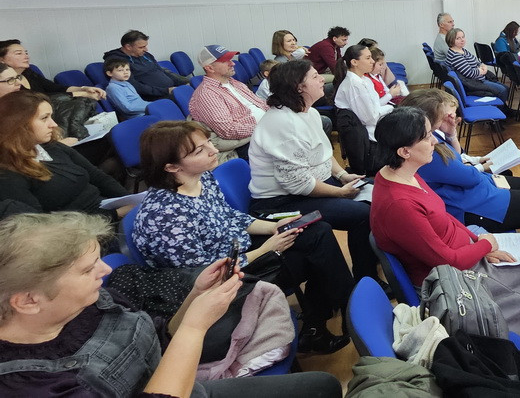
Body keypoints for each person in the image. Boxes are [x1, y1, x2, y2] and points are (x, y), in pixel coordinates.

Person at [0, 211, 343, 397]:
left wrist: (195, 296)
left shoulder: (91, 301)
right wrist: (195, 326)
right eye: (88, 269)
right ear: (28, 301)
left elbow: (160, 337)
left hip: (182, 383)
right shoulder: (27, 384)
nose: (105, 271)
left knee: (323, 386)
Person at [369, 107, 520, 381]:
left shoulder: (405, 173)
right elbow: (445, 262)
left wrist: (478, 240)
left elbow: (443, 215)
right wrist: (485, 246)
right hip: (449, 279)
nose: (434, 141)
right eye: (427, 137)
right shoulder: (399, 204)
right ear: (404, 151)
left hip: (462, 253)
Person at [133, 120, 354, 354]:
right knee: (314, 257)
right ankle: (334, 315)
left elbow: (230, 216)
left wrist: (273, 227)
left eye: (209, 142)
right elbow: (204, 276)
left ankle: (331, 313)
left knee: (316, 232)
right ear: (171, 167)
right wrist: (266, 250)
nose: (214, 150)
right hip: (222, 282)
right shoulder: (165, 216)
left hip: (238, 251)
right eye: (200, 151)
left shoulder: (202, 178)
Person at [404, 89, 520, 289]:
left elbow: (459, 161)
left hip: (473, 193)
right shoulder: (431, 151)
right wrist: (477, 169)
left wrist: (452, 136)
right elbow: (468, 177)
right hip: (470, 206)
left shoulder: (433, 139)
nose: (449, 116)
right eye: (443, 114)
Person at [247, 60, 377, 283]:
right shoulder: (282, 123)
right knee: (362, 215)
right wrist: (340, 192)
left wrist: (343, 176)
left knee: (377, 189)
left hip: (310, 187)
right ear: (299, 87)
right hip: (282, 202)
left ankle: (373, 266)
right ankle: (366, 278)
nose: (322, 80)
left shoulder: (309, 113)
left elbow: (323, 154)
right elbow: (298, 184)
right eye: (315, 76)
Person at [0, 91, 127, 220]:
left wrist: (128, 199)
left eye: (51, 117)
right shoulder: (9, 175)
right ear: (18, 124)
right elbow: (42, 224)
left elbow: (97, 176)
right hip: (86, 227)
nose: (54, 124)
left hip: (105, 208)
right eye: (44, 118)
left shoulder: (50, 146)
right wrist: (117, 213)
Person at [188, 45, 267, 157]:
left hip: (263, 129)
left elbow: (261, 104)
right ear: (210, 68)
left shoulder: (234, 83)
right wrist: (265, 126)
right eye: (225, 61)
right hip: (247, 142)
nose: (232, 63)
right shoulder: (207, 94)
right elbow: (228, 130)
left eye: (231, 59)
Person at [333, 44, 398, 176]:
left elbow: (375, 106)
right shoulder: (354, 84)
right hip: (369, 141)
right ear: (354, 62)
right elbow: (371, 118)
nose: (372, 61)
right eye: (368, 58)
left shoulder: (364, 80)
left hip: (373, 130)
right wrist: (391, 108)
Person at [0, 40, 106, 101]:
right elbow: (40, 100)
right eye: (19, 53)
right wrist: (82, 94)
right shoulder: (6, 84)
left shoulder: (29, 72)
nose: (26, 56)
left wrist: (83, 88)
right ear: (1, 60)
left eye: (26, 53)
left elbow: (56, 88)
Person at [102, 30, 188, 100]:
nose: (146, 49)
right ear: (128, 47)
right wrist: (165, 90)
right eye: (141, 47)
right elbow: (134, 86)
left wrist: (184, 82)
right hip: (154, 97)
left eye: (145, 46)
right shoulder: (117, 61)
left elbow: (162, 71)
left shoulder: (146, 55)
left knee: (190, 90)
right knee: (186, 98)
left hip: (170, 90)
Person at [444, 27, 509, 103]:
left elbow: (477, 62)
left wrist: (483, 66)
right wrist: (482, 71)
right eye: (458, 38)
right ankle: (501, 108)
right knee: (502, 90)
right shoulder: (455, 56)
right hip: (473, 83)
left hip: (479, 79)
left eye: (463, 37)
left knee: (505, 88)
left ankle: (503, 107)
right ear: (451, 40)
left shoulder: (462, 50)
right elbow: (470, 73)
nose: (462, 40)